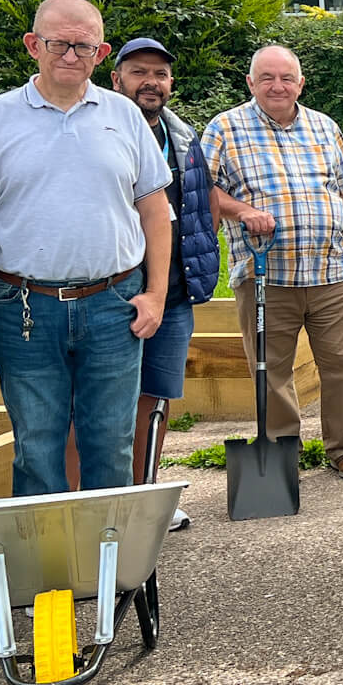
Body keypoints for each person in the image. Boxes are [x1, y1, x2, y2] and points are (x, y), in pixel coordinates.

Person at [0, 0, 171, 499]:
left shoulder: (124, 116)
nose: (71, 56)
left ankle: (110, 570)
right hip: (22, 309)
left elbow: (155, 213)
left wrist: (157, 293)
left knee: (111, 443)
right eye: (59, 44)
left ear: (102, 53)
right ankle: (48, 572)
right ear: (34, 45)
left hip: (114, 306)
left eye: (84, 46)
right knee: (36, 447)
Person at [201, 44, 343, 480]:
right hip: (264, 274)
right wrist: (241, 212)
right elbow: (203, 189)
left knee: (341, 363)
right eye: (268, 78)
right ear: (250, 82)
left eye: (287, 78)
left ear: (300, 83)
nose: (278, 86)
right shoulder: (225, 128)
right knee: (271, 369)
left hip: (330, 271)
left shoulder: (324, 126)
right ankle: (279, 453)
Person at [110, 37, 218, 530]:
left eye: (160, 74)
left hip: (176, 289)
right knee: (106, 398)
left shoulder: (183, 137)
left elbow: (202, 205)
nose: (151, 82)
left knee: (157, 396)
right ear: (116, 80)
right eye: (138, 72)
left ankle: (149, 495)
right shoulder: (104, 132)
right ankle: (107, 500)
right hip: (117, 290)